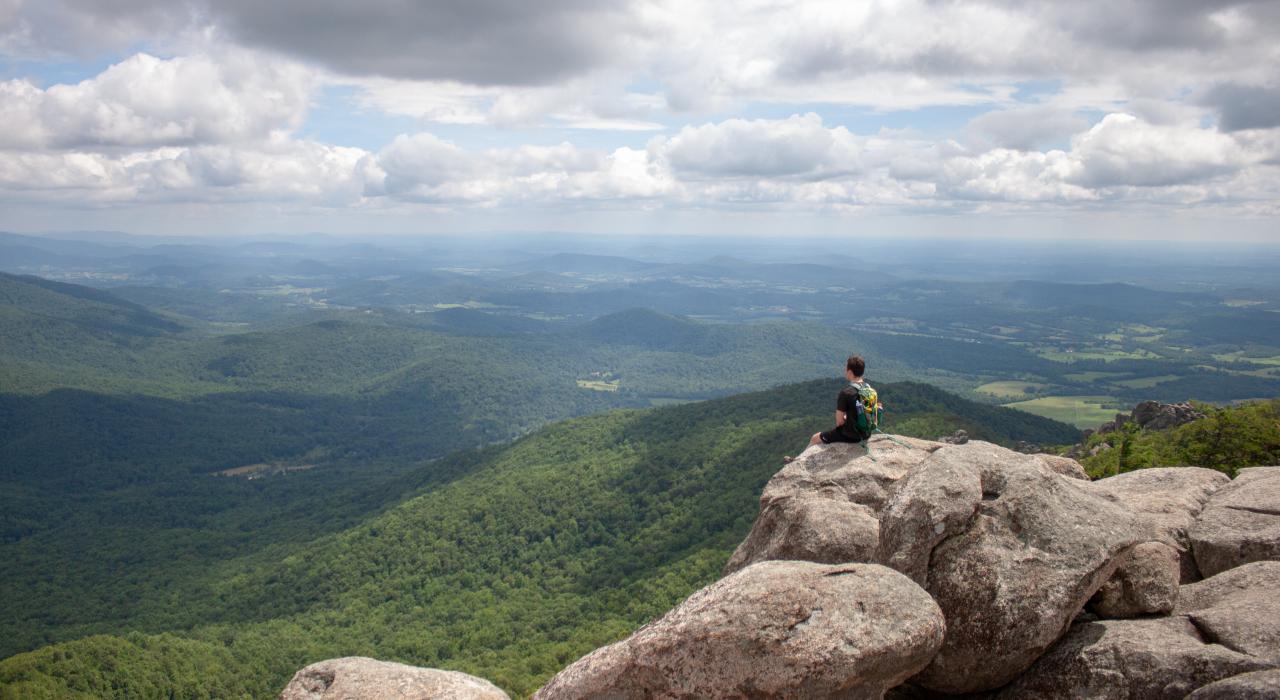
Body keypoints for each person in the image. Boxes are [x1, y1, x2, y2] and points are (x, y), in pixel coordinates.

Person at [784, 355, 873, 463]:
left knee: (815, 438)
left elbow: (839, 422)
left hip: (851, 435)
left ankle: (798, 461)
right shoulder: (869, 389)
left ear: (849, 371)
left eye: (846, 369)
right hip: (866, 433)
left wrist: (847, 420)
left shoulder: (846, 393)